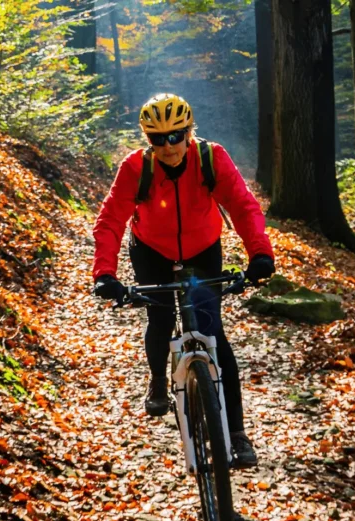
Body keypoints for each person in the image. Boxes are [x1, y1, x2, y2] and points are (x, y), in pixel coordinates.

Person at [91, 93, 275, 469]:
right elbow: (111, 219)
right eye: (157, 139)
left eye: (176, 135)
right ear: (147, 139)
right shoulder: (135, 168)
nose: (168, 146)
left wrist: (260, 253)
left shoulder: (211, 159)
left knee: (214, 336)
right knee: (159, 321)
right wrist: (104, 273)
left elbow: (242, 205)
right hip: (151, 250)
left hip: (202, 249)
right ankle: (158, 379)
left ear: (190, 131)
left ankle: (237, 434)